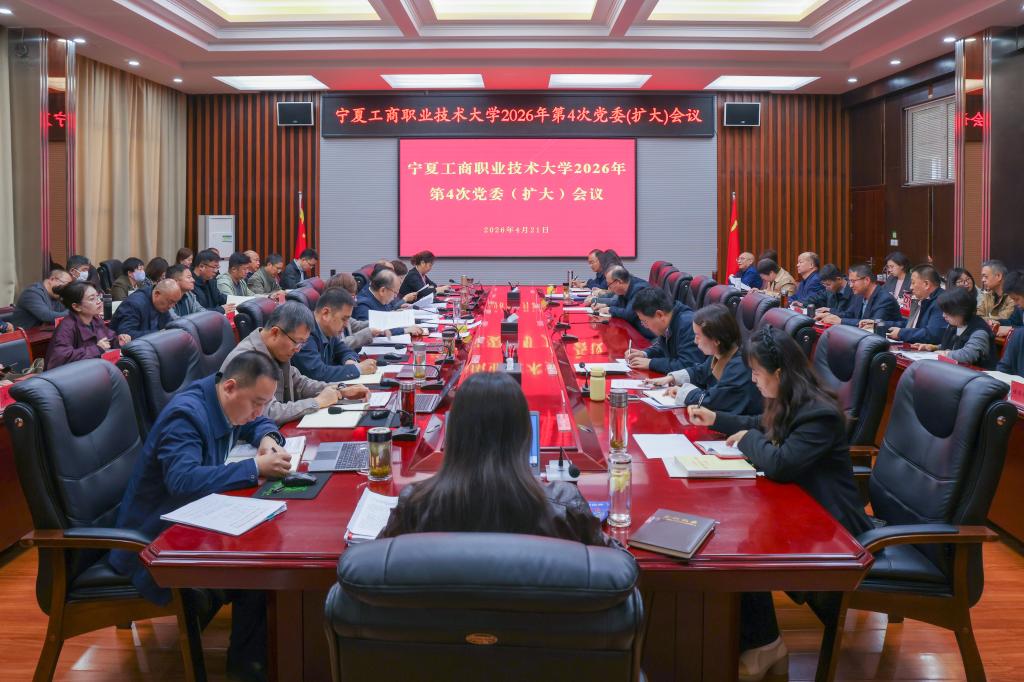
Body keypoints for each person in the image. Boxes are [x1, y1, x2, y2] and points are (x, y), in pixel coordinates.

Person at [686, 328, 872, 681]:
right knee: (735, 530)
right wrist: (716, 418)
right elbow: (761, 425)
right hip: (802, 508)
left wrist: (749, 440)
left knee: (738, 543)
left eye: (757, 373)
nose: (753, 380)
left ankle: (764, 645)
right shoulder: (792, 399)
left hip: (833, 528)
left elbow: (780, 463)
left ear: (780, 373)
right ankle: (759, 642)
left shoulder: (818, 413)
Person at [110, 351, 292, 682]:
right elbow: (183, 481)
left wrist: (268, 437)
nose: (259, 411)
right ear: (231, 387)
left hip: (192, 524)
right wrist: (254, 467)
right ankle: (247, 673)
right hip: (152, 545)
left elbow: (256, 421)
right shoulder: (186, 416)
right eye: (257, 403)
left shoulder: (223, 398)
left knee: (267, 555)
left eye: (265, 403)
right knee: (261, 572)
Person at [381, 371, 614, 547]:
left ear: (453, 435)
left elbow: (370, 567)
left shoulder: (415, 506)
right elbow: (620, 569)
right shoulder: (565, 507)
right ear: (525, 436)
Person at [220, 302, 367, 425]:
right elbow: (267, 412)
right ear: (275, 333)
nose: (298, 349)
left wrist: (340, 390)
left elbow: (300, 383)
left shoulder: (276, 349)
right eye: (297, 342)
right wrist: (317, 402)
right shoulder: (247, 360)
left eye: (302, 344)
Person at [650, 304, 762, 415]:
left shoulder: (739, 367)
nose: (695, 341)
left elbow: (712, 401)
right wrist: (671, 378)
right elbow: (700, 371)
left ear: (716, 340)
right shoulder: (720, 353)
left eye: (698, 336)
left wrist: (684, 392)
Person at [291, 288, 376, 382]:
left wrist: (350, 360)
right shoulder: (305, 333)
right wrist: (357, 369)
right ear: (325, 313)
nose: (346, 325)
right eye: (344, 319)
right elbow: (317, 373)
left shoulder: (329, 330)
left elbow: (345, 350)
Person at [45, 282, 130, 369]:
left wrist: (118, 341)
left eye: (98, 296)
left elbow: (109, 339)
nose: (99, 301)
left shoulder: (95, 319)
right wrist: (97, 349)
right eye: (92, 299)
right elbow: (60, 359)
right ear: (76, 307)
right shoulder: (67, 327)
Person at [910, 287, 997, 369]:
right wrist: (935, 347)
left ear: (962, 311)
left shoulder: (980, 331)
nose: (943, 315)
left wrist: (945, 354)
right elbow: (954, 346)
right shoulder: (955, 324)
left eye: (948, 312)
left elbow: (967, 355)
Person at [624, 287, 701, 373]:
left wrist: (651, 363)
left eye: (645, 321)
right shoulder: (669, 320)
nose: (645, 326)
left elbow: (688, 365)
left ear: (660, 315)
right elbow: (664, 347)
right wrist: (644, 354)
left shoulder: (687, 325)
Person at [817, 264, 900, 328]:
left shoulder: (884, 299)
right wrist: (829, 315)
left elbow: (871, 325)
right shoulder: (859, 296)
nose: (850, 285)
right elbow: (849, 314)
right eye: (850, 281)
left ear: (867, 280)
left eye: (853, 281)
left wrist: (841, 321)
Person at [886, 265, 947, 344]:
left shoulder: (940, 302)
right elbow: (910, 324)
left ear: (926, 284)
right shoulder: (923, 299)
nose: (910, 287)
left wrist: (902, 333)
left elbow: (933, 334)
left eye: (913, 283)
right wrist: (883, 325)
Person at [591, 266, 655, 339]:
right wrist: (604, 305)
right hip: (632, 331)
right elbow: (619, 303)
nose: (609, 288)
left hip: (645, 336)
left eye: (609, 284)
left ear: (619, 282)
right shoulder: (626, 286)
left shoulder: (639, 289)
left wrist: (609, 309)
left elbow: (628, 314)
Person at [354, 270, 424, 336]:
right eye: (395, 293)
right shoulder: (362, 306)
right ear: (382, 290)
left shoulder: (380, 297)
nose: (395, 297)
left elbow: (387, 314)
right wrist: (405, 330)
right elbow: (374, 331)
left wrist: (396, 314)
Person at [324, 272, 384, 350]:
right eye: (352, 296)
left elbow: (357, 325)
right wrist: (369, 332)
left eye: (355, 296)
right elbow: (338, 346)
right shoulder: (329, 317)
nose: (355, 300)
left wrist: (380, 323)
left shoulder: (342, 313)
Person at [111, 279, 182, 339]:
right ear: (157, 294)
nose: (172, 306)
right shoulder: (134, 304)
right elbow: (126, 334)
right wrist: (158, 334)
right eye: (171, 302)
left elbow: (168, 326)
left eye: (175, 303)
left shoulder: (163, 303)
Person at [977, 259, 1017, 325]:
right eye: (982, 277)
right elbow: (977, 316)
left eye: (985, 276)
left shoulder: (1013, 296)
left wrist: (986, 319)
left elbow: (1004, 319)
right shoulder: (988, 295)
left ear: (999, 276)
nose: (983, 280)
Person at [192, 249, 232, 313]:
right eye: (214, 267)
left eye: (217, 267)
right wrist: (221, 309)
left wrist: (238, 300)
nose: (216, 271)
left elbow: (220, 297)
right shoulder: (189, 284)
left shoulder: (211, 281)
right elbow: (197, 311)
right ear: (201, 266)